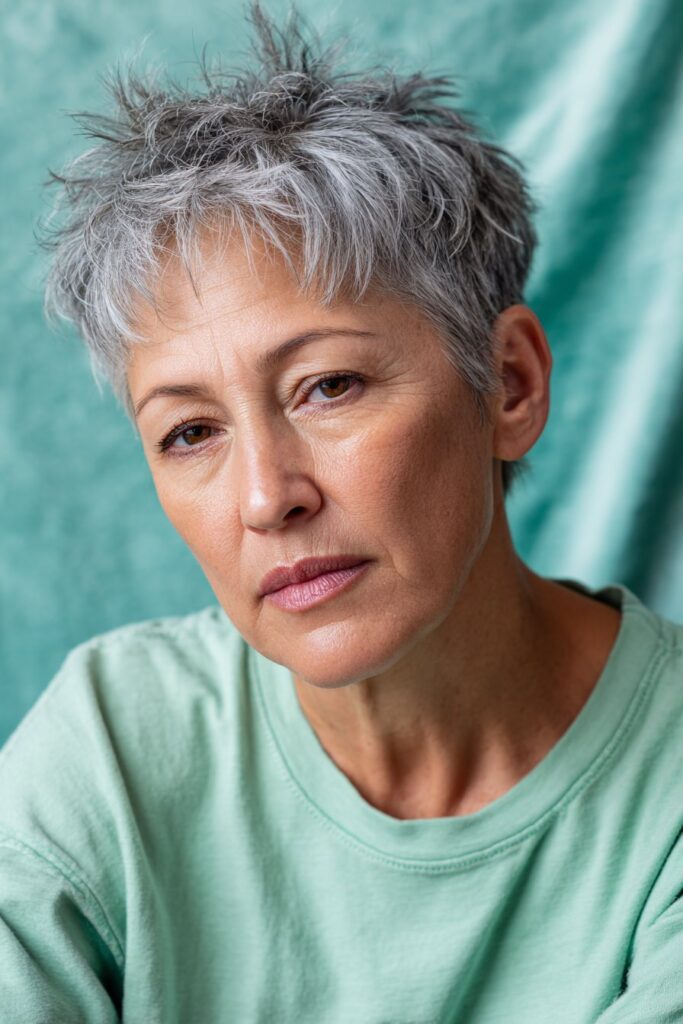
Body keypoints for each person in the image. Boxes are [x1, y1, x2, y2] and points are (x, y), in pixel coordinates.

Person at [1, 4, 682, 1021]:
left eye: (327, 387)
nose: (267, 497)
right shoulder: (109, 748)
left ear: (507, 384)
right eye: (190, 432)